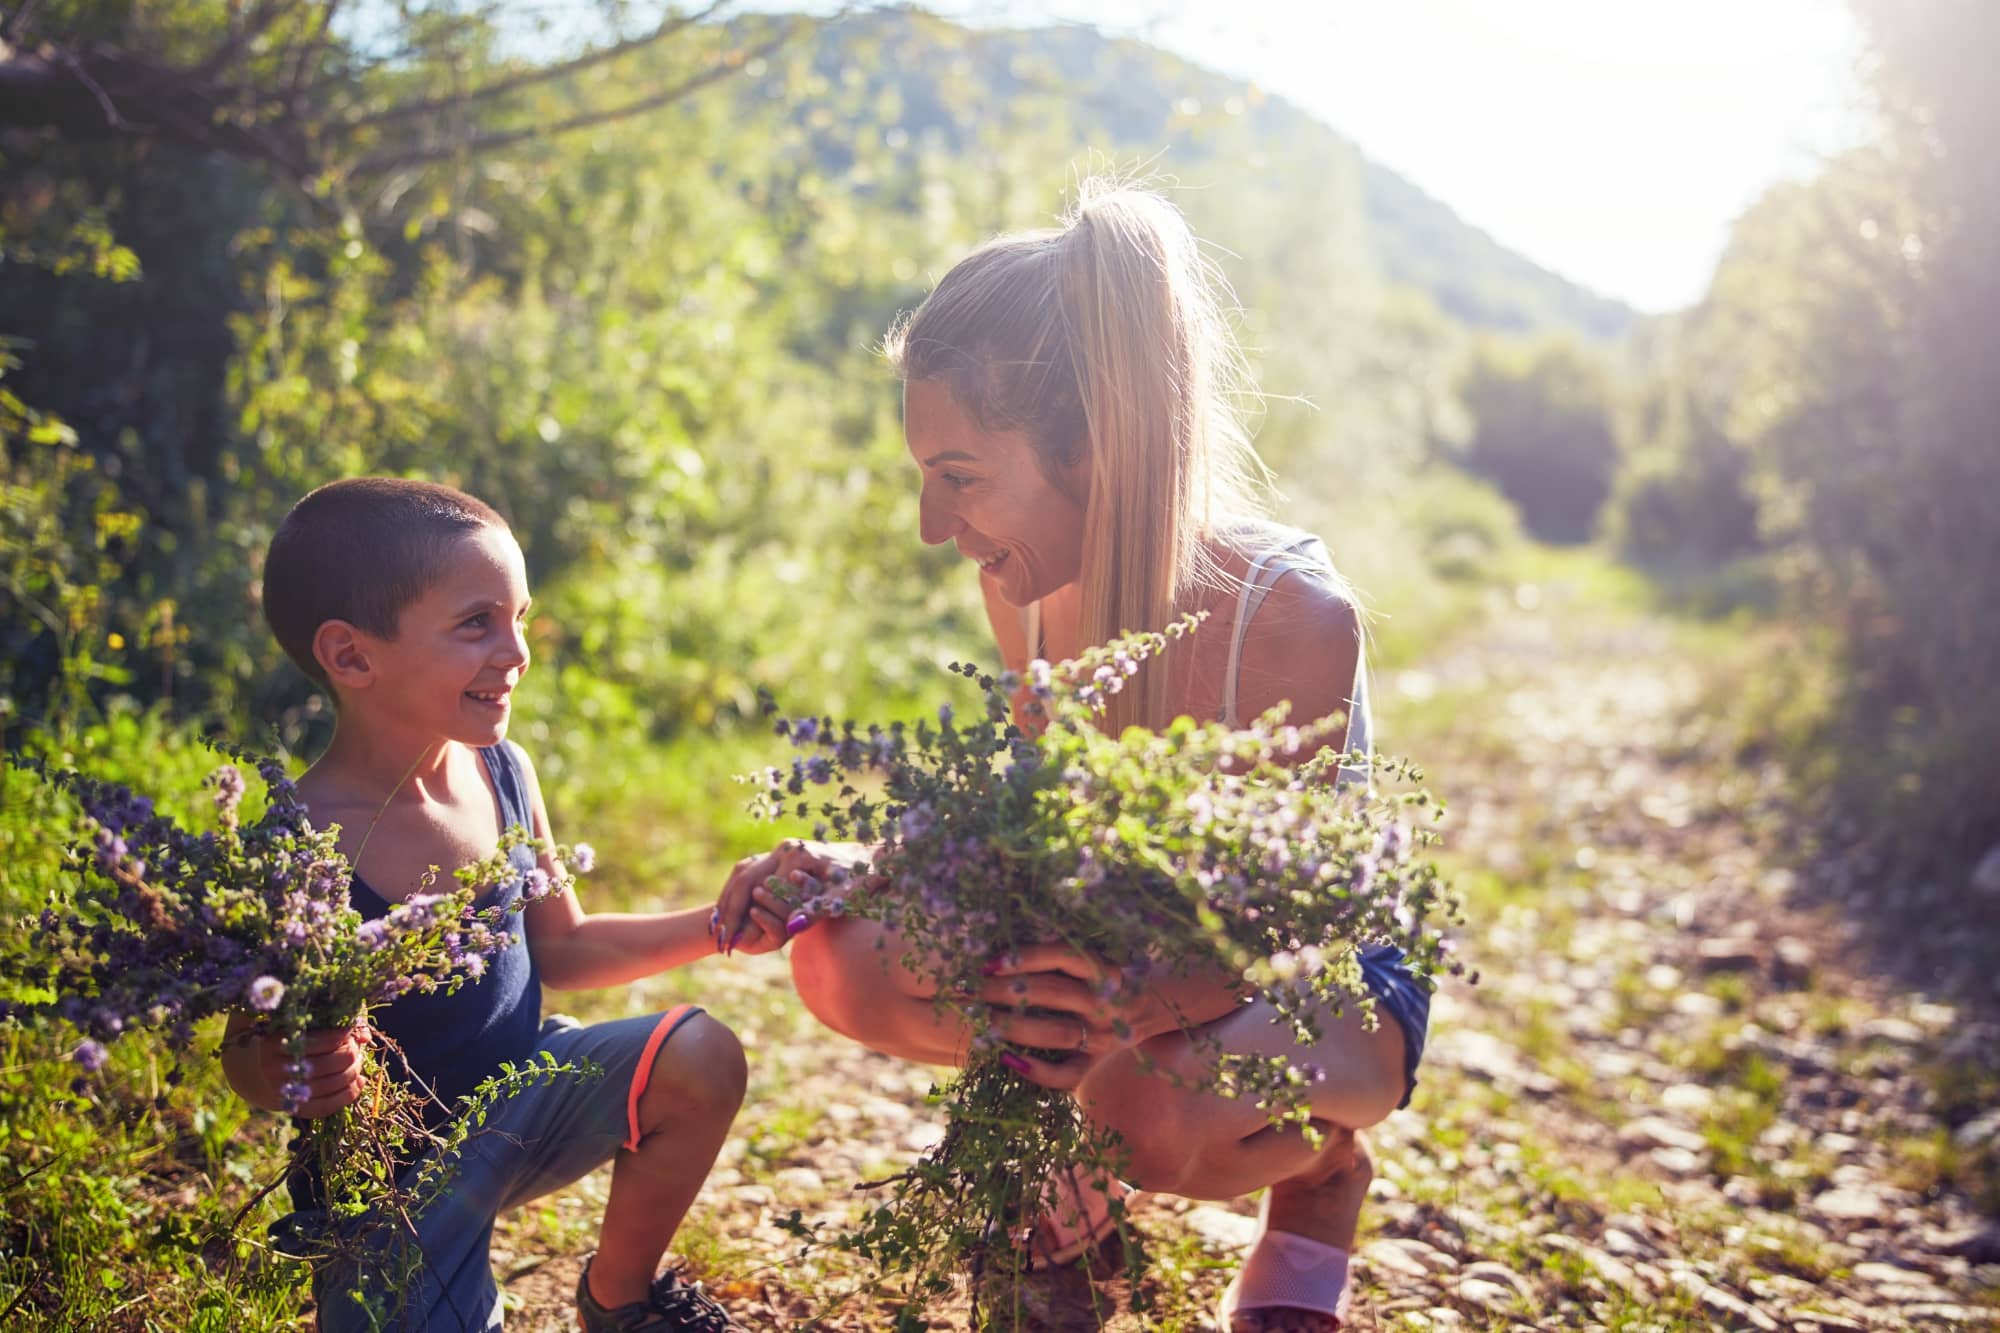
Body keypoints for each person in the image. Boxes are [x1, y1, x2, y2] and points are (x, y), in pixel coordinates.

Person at [719, 182, 1432, 1332]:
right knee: (840, 957)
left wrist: (1098, 1014)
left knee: (1126, 1103)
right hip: (1121, 935)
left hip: (1316, 970)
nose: (931, 526)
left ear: (1093, 445)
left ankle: (1314, 1179)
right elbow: (1032, 817)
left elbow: (1276, 927)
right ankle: (1073, 1234)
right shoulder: (1031, 595)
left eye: (958, 476)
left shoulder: (1289, 615)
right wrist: (867, 862)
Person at [223, 478, 766, 1333]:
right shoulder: (302, 837)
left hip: (523, 1093)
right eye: (477, 622)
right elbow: (246, 1050)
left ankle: (619, 1299)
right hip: (393, 1182)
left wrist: (718, 926)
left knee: (699, 1055)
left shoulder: (503, 771)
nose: (515, 651)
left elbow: (566, 946)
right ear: (352, 656)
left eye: (518, 617)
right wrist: (291, 1070)